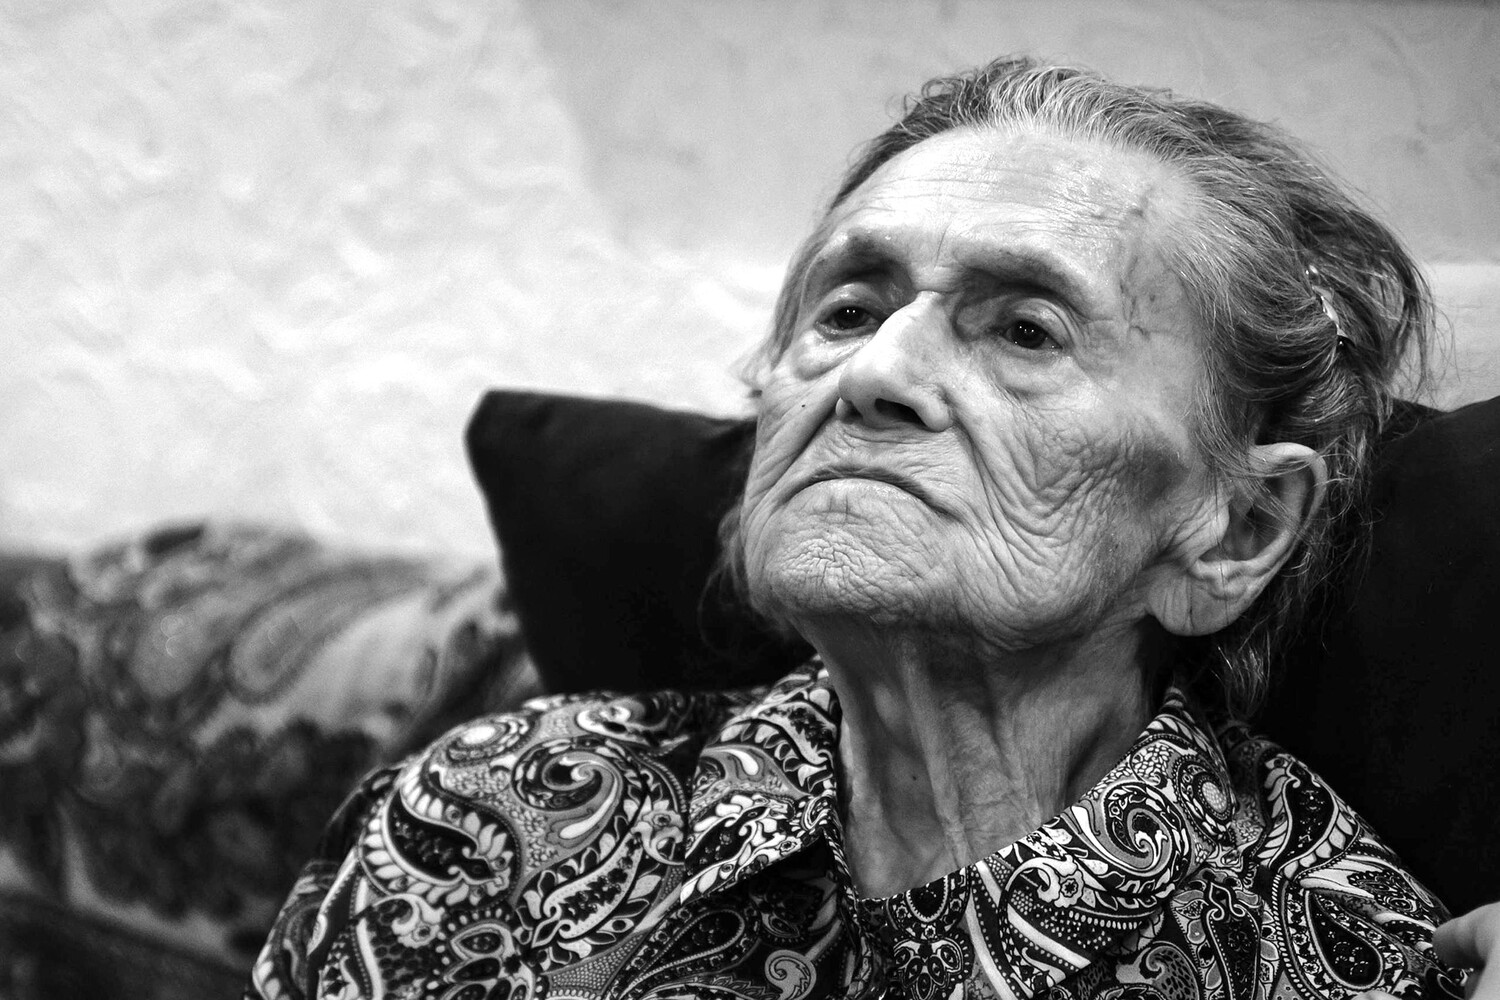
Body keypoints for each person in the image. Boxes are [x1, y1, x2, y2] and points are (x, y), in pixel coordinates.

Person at [250, 56, 1472, 999]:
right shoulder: (482, 818)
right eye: (846, 309)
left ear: (1235, 529)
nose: (875, 372)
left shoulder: (1335, 961)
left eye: (1026, 330)